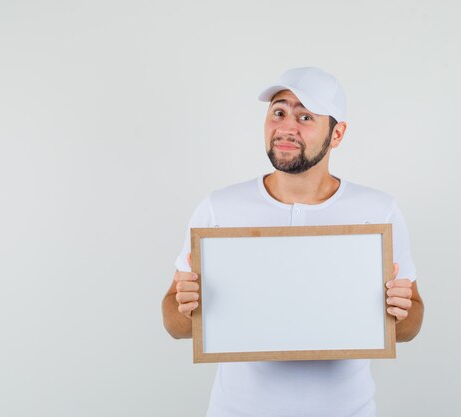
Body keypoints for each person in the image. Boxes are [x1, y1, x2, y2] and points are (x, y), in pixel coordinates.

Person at [162, 67, 424, 417]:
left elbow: (409, 326)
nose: (287, 127)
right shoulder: (219, 207)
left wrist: (399, 310)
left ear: (337, 134)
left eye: (305, 116)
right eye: (279, 112)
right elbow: (174, 323)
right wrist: (186, 308)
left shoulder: (377, 211)